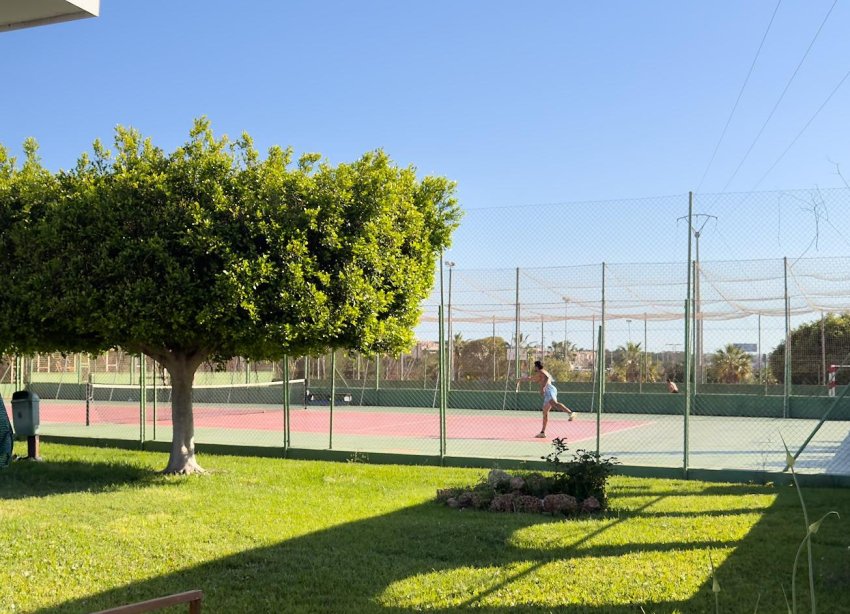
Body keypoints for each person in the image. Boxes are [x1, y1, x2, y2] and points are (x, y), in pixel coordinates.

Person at [517, 360, 576, 438]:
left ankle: (570, 413)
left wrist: (543, 387)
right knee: (545, 412)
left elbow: (547, 377)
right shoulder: (539, 373)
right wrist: (520, 380)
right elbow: (531, 378)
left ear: (537, 367)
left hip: (549, 390)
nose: (534, 367)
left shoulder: (542, 371)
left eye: (534, 366)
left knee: (554, 403)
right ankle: (542, 432)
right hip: (548, 392)